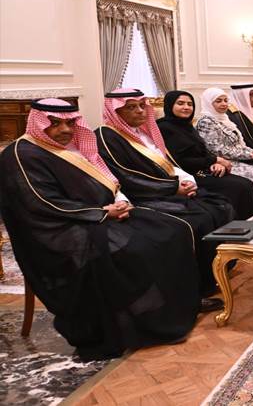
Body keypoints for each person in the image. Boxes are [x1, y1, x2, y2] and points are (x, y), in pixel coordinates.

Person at [0, 99, 200, 360]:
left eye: (71, 123)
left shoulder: (70, 147)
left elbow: (106, 181)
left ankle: (166, 308)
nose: (65, 130)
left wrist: (118, 201)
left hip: (96, 215)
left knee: (172, 230)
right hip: (55, 230)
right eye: (55, 123)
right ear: (38, 123)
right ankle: (134, 318)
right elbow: (42, 202)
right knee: (136, 248)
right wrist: (101, 212)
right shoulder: (21, 154)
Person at [96, 89, 233, 306]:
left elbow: (168, 164)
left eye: (142, 106)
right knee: (197, 221)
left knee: (220, 205)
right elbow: (126, 177)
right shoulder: (107, 136)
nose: (140, 111)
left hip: (165, 189)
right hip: (143, 195)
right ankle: (194, 290)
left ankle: (214, 276)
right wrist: (173, 188)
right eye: (131, 107)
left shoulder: (142, 132)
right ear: (116, 111)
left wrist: (187, 182)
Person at [157, 90, 253, 219]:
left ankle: (251, 224)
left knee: (245, 183)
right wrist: (214, 160)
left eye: (190, 104)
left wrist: (214, 163)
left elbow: (202, 150)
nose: (186, 107)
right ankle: (238, 226)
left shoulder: (186, 125)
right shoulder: (164, 128)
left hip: (204, 169)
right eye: (180, 103)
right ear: (170, 105)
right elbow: (180, 161)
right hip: (188, 176)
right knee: (239, 186)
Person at [193, 87, 253, 199]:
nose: (224, 104)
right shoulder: (206, 122)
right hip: (222, 162)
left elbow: (239, 144)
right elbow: (217, 149)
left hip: (236, 158)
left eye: (225, 100)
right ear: (208, 103)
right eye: (218, 101)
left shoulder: (224, 119)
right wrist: (250, 155)